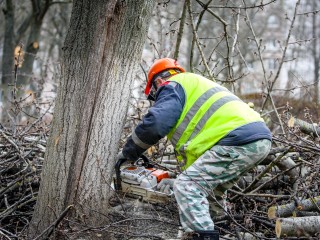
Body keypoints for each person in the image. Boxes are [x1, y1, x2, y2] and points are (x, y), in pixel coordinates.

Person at [119, 58, 272, 240]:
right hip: (257, 139)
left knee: (187, 186)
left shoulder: (172, 86)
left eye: (154, 95)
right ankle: (223, 232)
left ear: (158, 82)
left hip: (236, 139)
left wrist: (128, 153)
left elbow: (156, 124)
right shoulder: (194, 86)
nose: (156, 99)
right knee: (212, 195)